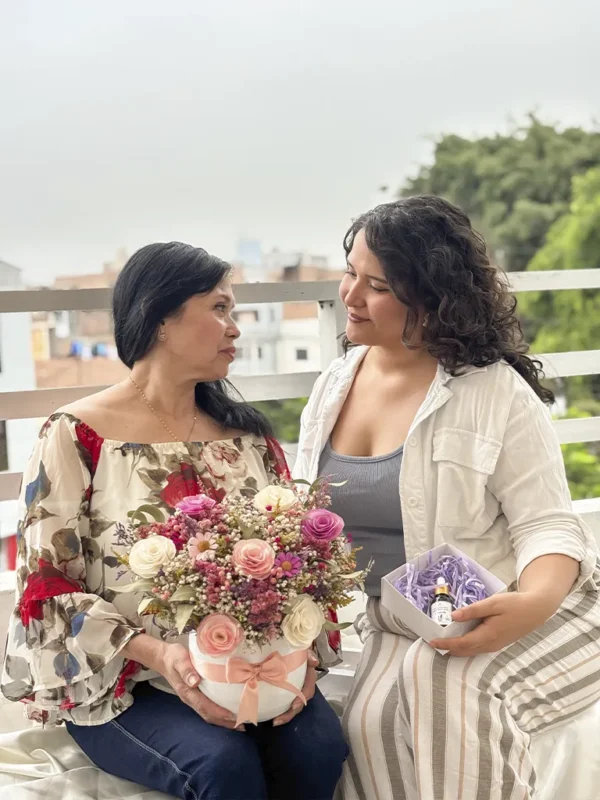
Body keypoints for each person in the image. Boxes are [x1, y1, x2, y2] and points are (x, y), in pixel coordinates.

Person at [1, 242, 347, 800]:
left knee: (319, 747)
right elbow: (45, 585)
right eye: (219, 309)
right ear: (160, 317)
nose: (235, 329)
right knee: (222, 765)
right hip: (125, 682)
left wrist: (300, 656)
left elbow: (301, 560)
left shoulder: (250, 438)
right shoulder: (75, 435)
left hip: (253, 669)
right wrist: (161, 654)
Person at [294, 196, 600, 800]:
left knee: (439, 681)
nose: (350, 296)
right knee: (368, 728)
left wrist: (531, 601)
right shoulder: (333, 385)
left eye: (376, 285)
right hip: (400, 618)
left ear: (431, 303)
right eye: (350, 272)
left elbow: (547, 526)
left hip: (530, 607)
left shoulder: (492, 390)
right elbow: (305, 523)